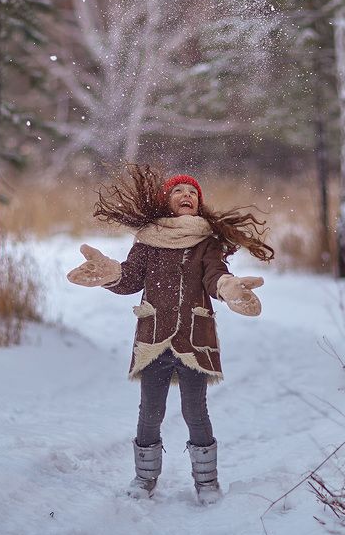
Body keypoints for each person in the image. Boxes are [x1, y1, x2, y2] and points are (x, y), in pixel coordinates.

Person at [67, 164, 274, 504]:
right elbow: (132, 280)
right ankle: (144, 479)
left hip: (194, 338)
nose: (187, 195)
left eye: (192, 192)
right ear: (167, 201)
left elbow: (214, 276)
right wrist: (109, 272)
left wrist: (229, 288)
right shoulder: (148, 240)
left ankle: (206, 483)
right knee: (150, 411)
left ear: (199, 203)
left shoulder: (208, 242)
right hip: (153, 338)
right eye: (179, 191)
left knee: (195, 411)